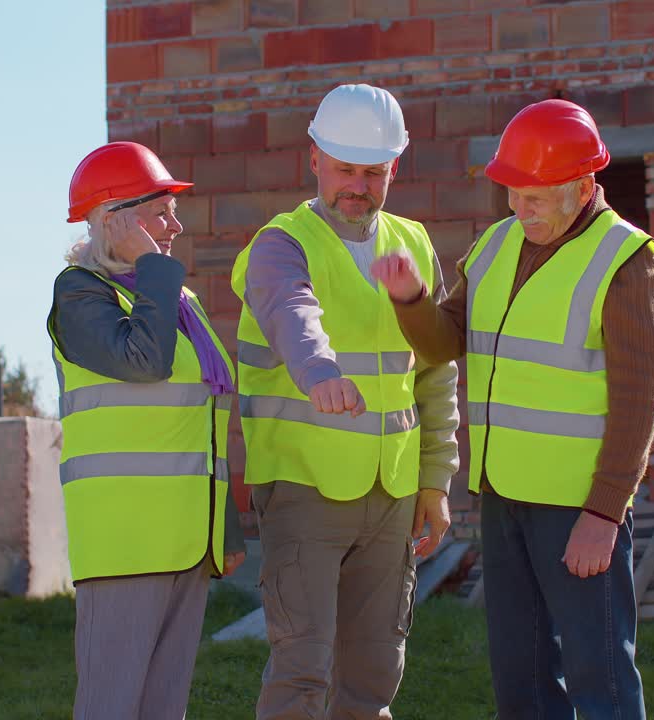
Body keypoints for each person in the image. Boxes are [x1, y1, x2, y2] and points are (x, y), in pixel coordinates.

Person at [370, 99, 654, 719]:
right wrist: (410, 299)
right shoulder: (495, 246)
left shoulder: (627, 261)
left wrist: (604, 513)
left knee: (601, 676)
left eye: (535, 197)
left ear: (584, 187)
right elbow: (444, 342)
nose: (519, 208)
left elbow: (640, 401)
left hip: (578, 506)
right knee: (521, 678)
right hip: (504, 497)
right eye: (512, 192)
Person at [230, 84, 460, 720]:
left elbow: (435, 371)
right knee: (302, 672)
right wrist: (319, 372)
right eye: (344, 170)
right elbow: (291, 312)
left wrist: (435, 481)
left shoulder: (413, 245)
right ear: (314, 159)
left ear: (394, 168)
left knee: (374, 676)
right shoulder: (281, 244)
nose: (357, 187)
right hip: (304, 489)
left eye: (373, 172)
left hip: (392, 494)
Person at [49, 141, 246, 720]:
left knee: (164, 707)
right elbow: (144, 361)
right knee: (112, 706)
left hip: (186, 540)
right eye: (160, 213)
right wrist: (155, 269)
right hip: (125, 542)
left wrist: (224, 526)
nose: (175, 227)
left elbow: (204, 418)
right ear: (116, 220)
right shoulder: (81, 294)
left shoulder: (174, 300)